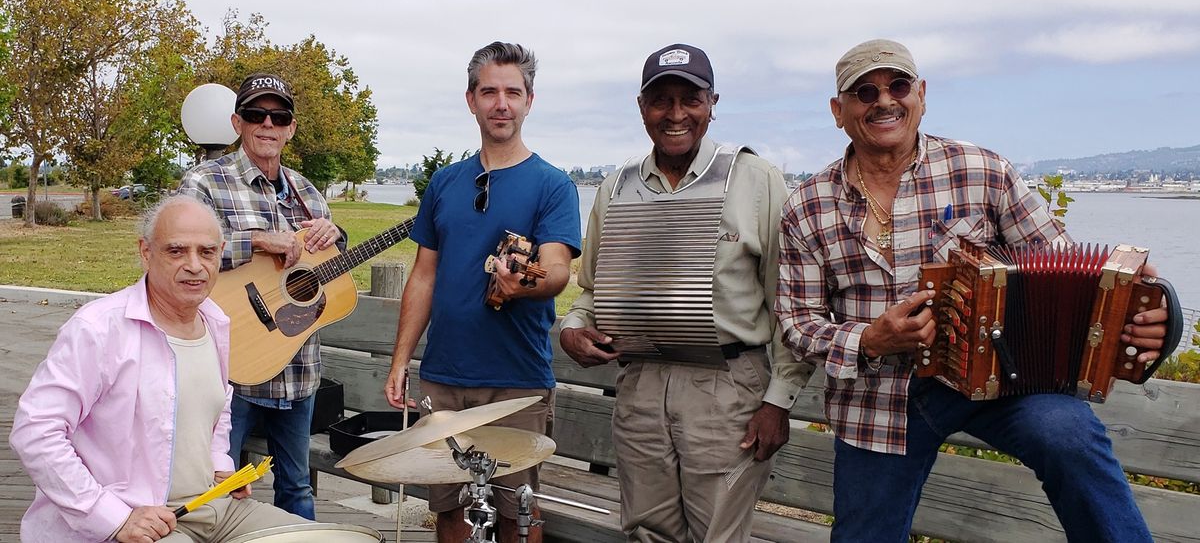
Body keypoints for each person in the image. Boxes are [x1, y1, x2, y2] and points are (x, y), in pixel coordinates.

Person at [776, 38, 1172, 542]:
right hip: (877, 398)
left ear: (921, 93)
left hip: (999, 376)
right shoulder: (807, 206)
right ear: (838, 111)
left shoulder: (982, 170)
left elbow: (1071, 268)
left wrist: (1149, 311)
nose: (884, 100)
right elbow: (797, 322)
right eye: (864, 91)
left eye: (898, 85)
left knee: (1069, 436)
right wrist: (870, 341)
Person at [559, 43, 814, 542]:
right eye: (661, 100)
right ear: (641, 107)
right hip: (640, 388)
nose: (676, 114)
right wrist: (572, 330)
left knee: (717, 535)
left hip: (729, 388)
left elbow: (789, 301)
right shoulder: (615, 189)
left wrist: (778, 402)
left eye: (690, 99)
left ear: (712, 103)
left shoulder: (756, 180)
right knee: (646, 533)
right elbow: (590, 292)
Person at [10, 196, 309, 542]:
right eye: (176, 251)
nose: (195, 265)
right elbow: (35, 431)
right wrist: (111, 516)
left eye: (207, 252)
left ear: (221, 252)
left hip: (215, 506)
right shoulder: (98, 328)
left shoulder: (214, 320)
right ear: (146, 252)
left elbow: (216, 408)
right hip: (143, 519)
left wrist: (219, 464)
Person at [383, 41, 581, 543]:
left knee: (518, 517)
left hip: (516, 383)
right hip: (445, 380)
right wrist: (400, 359)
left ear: (529, 101)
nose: (501, 103)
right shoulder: (445, 182)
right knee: (450, 515)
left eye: (513, 92)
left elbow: (557, 268)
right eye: (489, 91)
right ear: (470, 100)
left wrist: (524, 283)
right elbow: (424, 274)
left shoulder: (553, 185)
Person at [179, 73, 343, 519]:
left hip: (297, 367)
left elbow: (324, 269)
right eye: (256, 115)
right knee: (216, 491)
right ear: (237, 123)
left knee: (297, 489)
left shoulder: (307, 191)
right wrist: (255, 241)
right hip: (229, 370)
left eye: (279, 116)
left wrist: (336, 235)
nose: (267, 124)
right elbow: (183, 253)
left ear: (290, 127)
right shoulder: (205, 182)